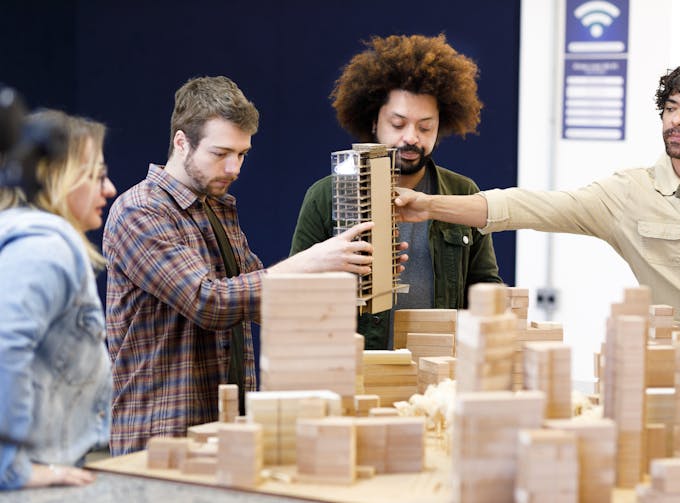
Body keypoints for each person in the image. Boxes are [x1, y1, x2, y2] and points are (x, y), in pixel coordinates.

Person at [395, 58, 680, 378]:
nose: (677, 120)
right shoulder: (631, 193)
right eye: (672, 108)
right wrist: (428, 205)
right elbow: (527, 206)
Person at [103, 76, 378, 455]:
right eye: (220, 153)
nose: (234, 167)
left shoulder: (216, 208)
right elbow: (209, 302)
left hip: (226, 428)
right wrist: (310, 260)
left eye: (242, 154)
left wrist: (350, 270)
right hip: (162, 436)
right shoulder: (141, 210)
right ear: (182, 142)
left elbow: (263, 301)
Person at [290, 34, 502, 350]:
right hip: (355, 367)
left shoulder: (462, 193)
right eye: (398, 123)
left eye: (425, 127)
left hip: (438, 374)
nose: (411, 138)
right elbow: (294, 292)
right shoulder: (325, 196)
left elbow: (484, 288)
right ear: (374, 121)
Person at [0, 110, 117, 489]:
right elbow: (5, 345)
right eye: (97, 175)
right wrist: (10, 468)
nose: (109, 189)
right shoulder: (48, 246)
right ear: (57, 178)